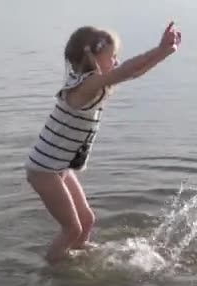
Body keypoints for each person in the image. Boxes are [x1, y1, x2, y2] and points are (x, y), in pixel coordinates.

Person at [24, 21, 181, 264]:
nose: (116, 62)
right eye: (112, 56)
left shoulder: (95, 84)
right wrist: (159, 50)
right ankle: (51, 272)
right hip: (43, 170)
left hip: (58, 167)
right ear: (91, 54)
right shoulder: (85, 85)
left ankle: (74, 258)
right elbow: (127, 71)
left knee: (86, 221)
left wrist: (164, 53)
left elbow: (132, 72)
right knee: (72, 229)